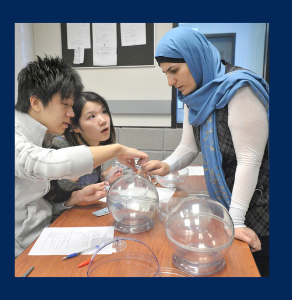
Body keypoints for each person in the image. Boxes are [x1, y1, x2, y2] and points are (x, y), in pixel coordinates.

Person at [140, 27, 269, 276]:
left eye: (174, 71)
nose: (170, 81)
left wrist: (236, 221)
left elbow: (249, 159)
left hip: (259, 204)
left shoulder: (239, 88)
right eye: (166, 73)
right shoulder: (195, 94)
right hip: (229, 206)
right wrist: (167, 165)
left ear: (194, 58)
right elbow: (189, 145)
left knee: (255, 268)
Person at [15, 55, 148, 258]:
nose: (70, 113)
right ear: (36, 102)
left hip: (44, 237)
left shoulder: (42, 136)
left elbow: (39, 205)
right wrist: (117, 149)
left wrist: (73, 199)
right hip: (20, 250)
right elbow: (42, 163)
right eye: (65, 105)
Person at [44, 91, 117, 222]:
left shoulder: (94, 143)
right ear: (75, 126)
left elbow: (87, 183)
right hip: (59, 222)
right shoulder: (59, 147)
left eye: (104, 112)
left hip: (84, 215)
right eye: (92, 116)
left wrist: (103, 176)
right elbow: (53, 197)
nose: (103, 120)